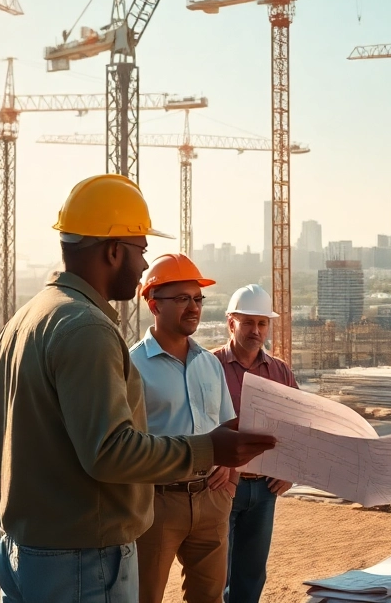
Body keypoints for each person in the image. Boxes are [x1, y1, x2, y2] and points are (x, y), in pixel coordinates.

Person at [0, 174, 276, 603]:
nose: (143, 265)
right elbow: (109, 451)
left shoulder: (26, 319)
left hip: (32, 546)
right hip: (80, 557)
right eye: (141, 251)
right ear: (112, 251)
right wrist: (207, 450)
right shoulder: (87, 328)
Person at [130, 254, 234, 603]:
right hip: (156, 503)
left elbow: (226, 426)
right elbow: (122, 442)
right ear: (153, 304)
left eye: (198, 299)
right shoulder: (131, 366)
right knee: (145, 597)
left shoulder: (209, 364)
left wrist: (229, 474)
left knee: (210, 598)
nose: (193, 307)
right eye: (182, 299)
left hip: (211, 501)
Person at [212, 283, 295, 603]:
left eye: (262, 323)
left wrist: (288, 470)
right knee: (214, 575)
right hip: (219, 487)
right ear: (231, 322)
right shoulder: (209, 366)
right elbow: (195, 424)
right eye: (248, 322)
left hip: (263, 490)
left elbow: (297, 427)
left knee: (251, 576)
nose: (256, 330)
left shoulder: (280, 371)